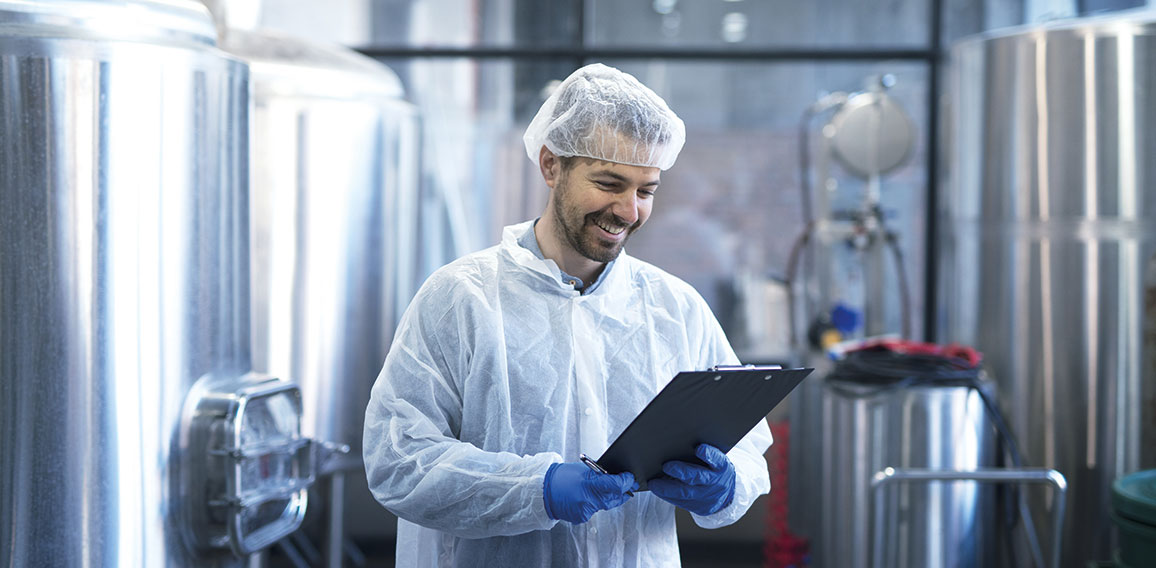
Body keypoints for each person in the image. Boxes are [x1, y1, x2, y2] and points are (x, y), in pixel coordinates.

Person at [363, 63, 772, 567]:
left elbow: (748, 443)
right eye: (608, 182)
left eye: (645, 191)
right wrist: (538, 487)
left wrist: (725, 484)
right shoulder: (461, 298)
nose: (627, 211)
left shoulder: (674, 307)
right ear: (551, 165)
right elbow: (399, 461)